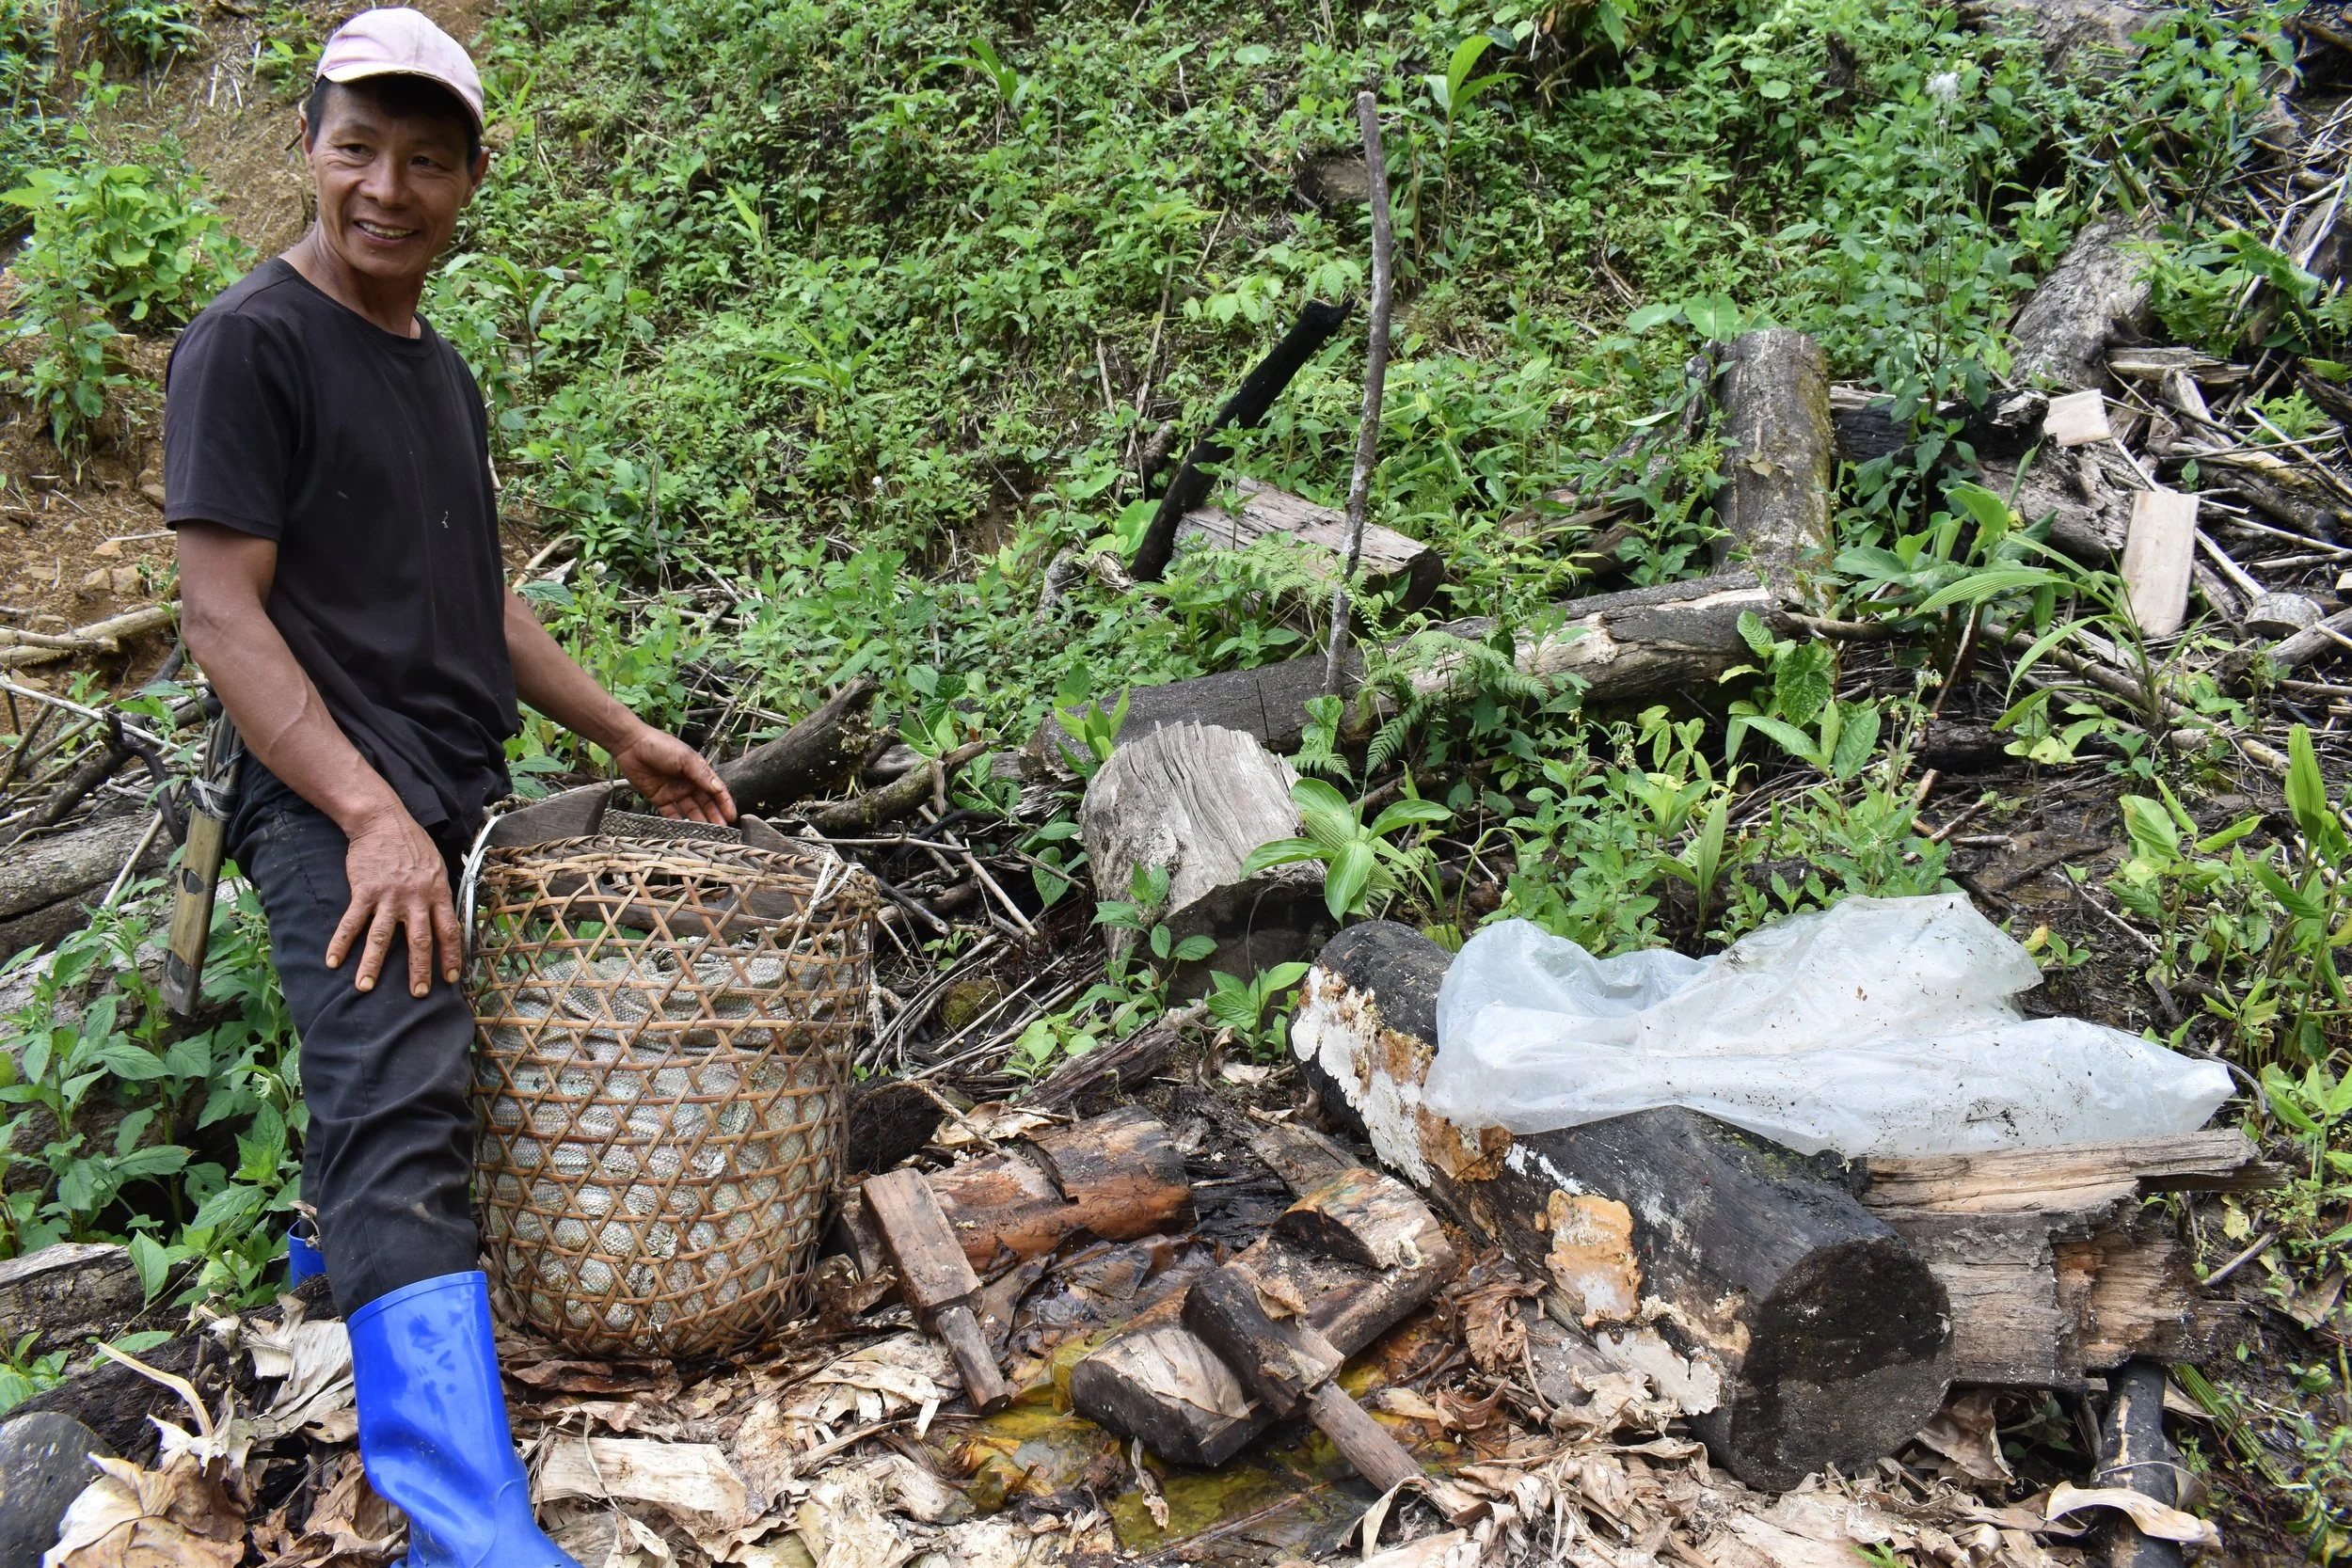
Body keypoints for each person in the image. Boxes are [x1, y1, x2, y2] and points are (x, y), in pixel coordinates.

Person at [165, 9, 733, 1560]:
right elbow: (222, 612)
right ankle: (466, 1532)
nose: (384, 187)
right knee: (401, 1111)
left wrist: (619, 732)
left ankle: (326, 1299)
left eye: (424, 160)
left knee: (435, 1093)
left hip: (453, 796)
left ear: (471, 179)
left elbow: (474, 596)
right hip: (341, 808)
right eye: (357, 148)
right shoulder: (251, 344)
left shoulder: (434, 368)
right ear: (309, 148)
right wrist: (365, 816)